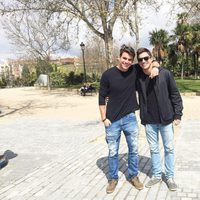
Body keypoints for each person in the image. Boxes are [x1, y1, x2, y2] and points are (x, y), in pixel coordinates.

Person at [98, 45, 159, 194]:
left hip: (130, 118)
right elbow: (101, 97)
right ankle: (113, 178)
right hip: (112, 120)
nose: (126, 62)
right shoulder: (108, 75)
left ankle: (133, 176)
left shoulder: (134, 69)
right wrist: (104, 118)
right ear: (119, 57)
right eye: (124, 58)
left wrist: (156, 67)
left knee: (134, 150)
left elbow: (150, 62)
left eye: (129, 60)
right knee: (113, 152)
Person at [136, 47, 183, 191]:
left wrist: (178, 114)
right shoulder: (137, 75)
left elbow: (175, 94)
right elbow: (126, 67)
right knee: (154, 149)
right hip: (149, 121)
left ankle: (169, 177)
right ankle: (156, 175)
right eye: (140, 59)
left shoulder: (165, 74)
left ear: (151, 58)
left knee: (169, 148)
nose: (143, 61)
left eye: (146, 58)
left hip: (166, 120)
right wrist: (155, 64)